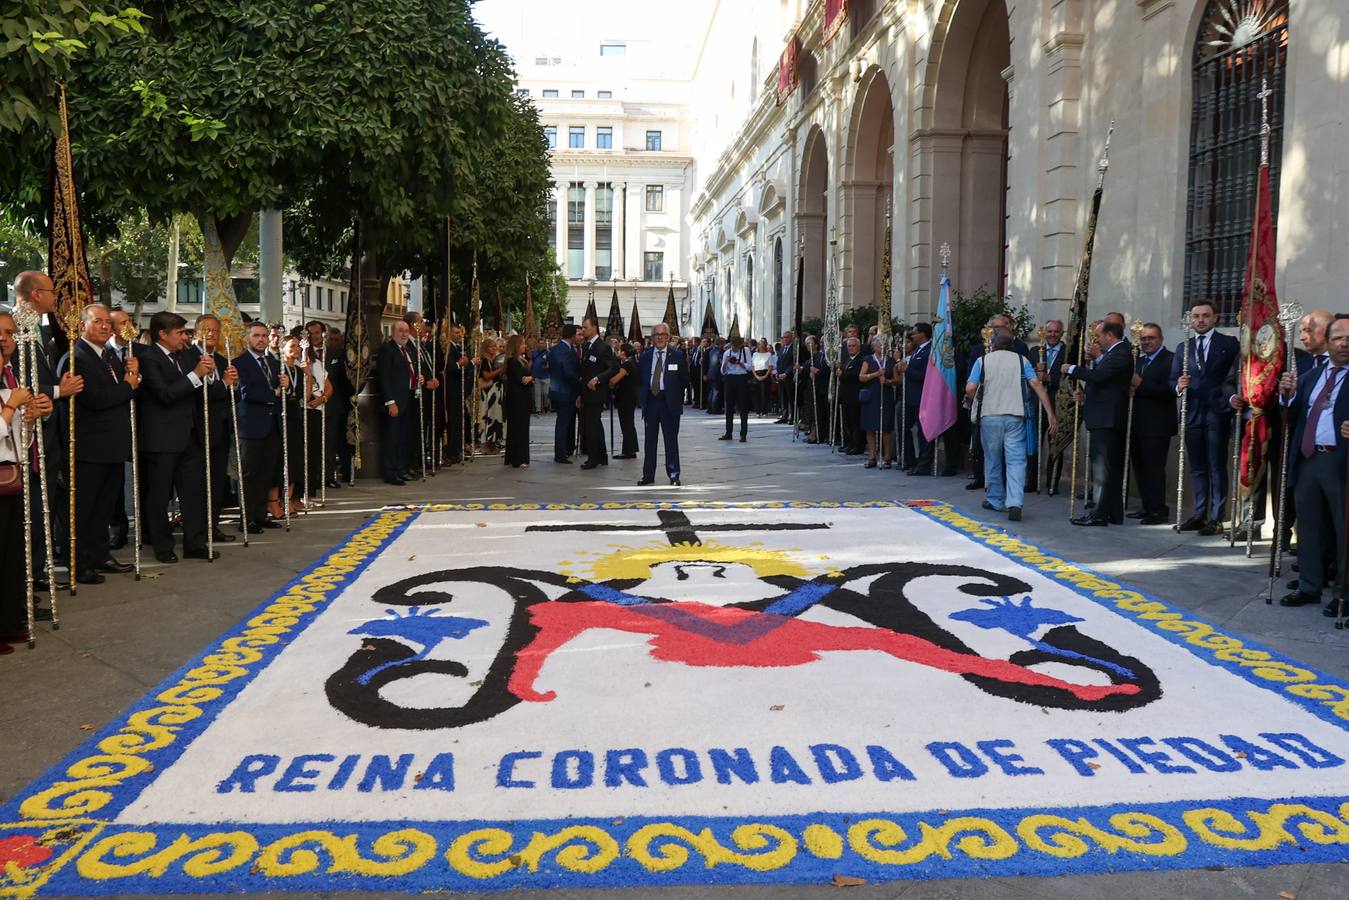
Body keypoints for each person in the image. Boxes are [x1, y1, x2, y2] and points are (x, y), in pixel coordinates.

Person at [13, 271, 80, 590]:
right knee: (31, 511)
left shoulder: (38, 329)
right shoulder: (16, 330)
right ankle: (29, 572)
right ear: (36, 293)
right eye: (52, 291)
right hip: (24, 435)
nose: (57, 297)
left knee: (45, 507)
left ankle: (38, 569)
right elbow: (23, 383)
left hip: (48, 432)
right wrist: (58, 391)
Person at [1277, 315, 1349, 613]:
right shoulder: (1310, 376)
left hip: (1341, 461)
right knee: (1308, 526)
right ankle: (1309, 585)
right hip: (1308, 458)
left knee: (1344, 529)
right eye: (1339, 338)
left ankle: (1344, 593)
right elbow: (1292, 418)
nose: (1345, 343)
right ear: (1327, 343)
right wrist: (1287, 396)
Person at [138, 310, 216, 563]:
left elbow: (203, 382)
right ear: (163, 334)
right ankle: (163, 546)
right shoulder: (148, 358)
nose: (185, 337)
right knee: (160, 495)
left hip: (190, 434)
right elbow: (165, 394)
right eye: (180, 333)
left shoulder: (185, 354)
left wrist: (207, 372)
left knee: (193, 492)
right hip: (162, 438)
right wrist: (195, 375)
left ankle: (195, 542)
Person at [964, 330, 1058, 521]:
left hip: (989, 416)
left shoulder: (983, 361)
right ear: (1012, 345)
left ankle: (996, 500)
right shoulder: (1022, 361)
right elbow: (1036, 384)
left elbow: (970, 388)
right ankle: (1015, 501)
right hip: (1015, 415)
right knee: (1016, 460)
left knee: (993, 458)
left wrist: (978, 401)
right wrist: (1050, 413)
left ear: (994, 345)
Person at [0, 310, 52, 649]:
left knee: (11, 555)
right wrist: (10, 409)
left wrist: (32, 415)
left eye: (8, 332)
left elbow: (20, 438)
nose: (4, 339)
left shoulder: (10, 374)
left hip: (11, 473)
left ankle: (8, 620)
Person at [1170, 300, 1241, 535]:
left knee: (1216, 466)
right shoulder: (1184, 347)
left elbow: (1234, 375)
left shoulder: (1228, 344)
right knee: (1197, 467)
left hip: (1217, 412)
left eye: (1205, 316)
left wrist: (1228, 402)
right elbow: (1172, 379)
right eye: (1196, 316)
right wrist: (1179, 386)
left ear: (1215, 318)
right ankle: (1199, 513)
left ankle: (1216, 517)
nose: (1200, 320)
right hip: (1191, 413)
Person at [1064, 320, 1133, 526]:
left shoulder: (1120, 352)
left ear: (1109, 336)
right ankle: (1112, 512)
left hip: (1107, 419)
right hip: (1103, 417)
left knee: (1102, 470)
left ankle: (1099, 514)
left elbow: (1101, 376)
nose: (1096, 340)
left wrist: (1072, 369)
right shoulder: (1113, 354)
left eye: (1099, 336)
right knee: (1107, 469)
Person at [233, 322, 284, 532]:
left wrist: (285, 388)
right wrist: (274, 395)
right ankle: (247, 518)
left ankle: (261, 514)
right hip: (250, 425)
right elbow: (247, 392)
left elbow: (280, 389)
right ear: (247, 338)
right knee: (248, 474)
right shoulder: (239, 363)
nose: (261, 339)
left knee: (266, 472)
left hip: (271, 424)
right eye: (256, 336)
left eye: (264, 336)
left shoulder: (272, 362)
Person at [192, 315, 238, 543]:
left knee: (217, 482)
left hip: (220, 429)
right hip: (197, 430)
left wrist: (233, 384)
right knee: (199, 483)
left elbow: (229, 395)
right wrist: (223, 386)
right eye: (206, 329)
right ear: (196, 332)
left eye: (215, 330)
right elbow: (199, 393)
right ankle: (197, 529)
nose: (211, 334)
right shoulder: (190, 358)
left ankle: (213, 525)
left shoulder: (221, 359)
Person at [1127, 323, 1176, 525]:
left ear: (1161, 339)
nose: (1146, 342)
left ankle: (1158, 511)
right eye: (1144, 338)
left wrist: (1141, 385)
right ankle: (1147, 506)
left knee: (1154, 470)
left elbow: (1170, 391)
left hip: (1157, 426)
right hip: (1138, 424)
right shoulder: (1138, 361)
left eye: (1151, 338)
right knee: (1140, 468)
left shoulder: (1170, 359)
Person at [638, 324, 688, 486]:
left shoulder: (678, 356)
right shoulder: (645, 357)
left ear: (668, 337)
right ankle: (648, 475)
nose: (659, 337)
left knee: (671, 441)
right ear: (652, 338)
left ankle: (674, 474)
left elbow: (684, 380)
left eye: (663, 334)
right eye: (656, 334)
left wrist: (676, 397)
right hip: (651, 402)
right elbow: (641, 380)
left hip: (669, 403)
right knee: (649, 441)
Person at [377, 321, 419, 484]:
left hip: (409, 398)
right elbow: (384, 378)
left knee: (404, 437)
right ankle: (390, 472)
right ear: (393, 332)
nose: (404, 334)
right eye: (400, 331)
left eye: (406, 331)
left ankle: (402, 469)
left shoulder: (408, 349)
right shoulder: (388, 350)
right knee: (392, 437)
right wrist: (390, 401)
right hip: (395, 401)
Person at [1027, 319, 1066, 493]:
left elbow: (1071, 379)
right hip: (1036, 404)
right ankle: (1032, 482)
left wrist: (1049, 378)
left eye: (1056, 332)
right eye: (1049, 331)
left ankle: (1052, 484)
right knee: (1033, 444)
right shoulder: (1035, 351)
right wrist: (1036, 376)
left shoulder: (1068, 352)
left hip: (1058, 405)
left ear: (1062, 333)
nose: (1052, 335)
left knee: (1055, 445)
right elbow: (1027, 376)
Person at [577, 316, 619, 470]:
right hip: (587, 393)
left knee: (592, 426)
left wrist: (597, 379)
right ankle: (602, 456)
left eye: (585, 327)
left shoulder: (602, 347)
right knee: (594, 425)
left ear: (594, 328)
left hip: (596, 393)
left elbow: (613, 368)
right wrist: (580, 394)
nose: (583, 330)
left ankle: (593, 458)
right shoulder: (587, 346)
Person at [859, 335, 896, 468]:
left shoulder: (891, 361)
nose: (883, 347)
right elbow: (861, 377)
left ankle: (887, 458)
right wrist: (875, 374)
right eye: (880, 344)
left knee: (886, 427)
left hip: (885, 395)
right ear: (874, 346)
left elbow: (897, 380)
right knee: (870, 427)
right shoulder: (868, 359)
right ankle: (872, 456)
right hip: (872, 395)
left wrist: (887, 381)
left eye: (885, 344)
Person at [900, 323, 932, 472]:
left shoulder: (929, 351)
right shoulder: (917, 350)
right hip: (910, 397)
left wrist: (908, 370)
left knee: (922, 432)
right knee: (904, 427)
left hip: (921, 397)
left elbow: (927, 376)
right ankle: (909, 459)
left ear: (923, 334)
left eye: (914, 333)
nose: (911, 336)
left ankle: (924, 464)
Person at [325, 327, 355, 485]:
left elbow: (345, 380)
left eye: (337, 340)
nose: (334, 343)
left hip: (337, 405)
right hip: (317, 405)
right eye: (332, 340)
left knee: (336, 442)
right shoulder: (310, 355)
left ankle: (336, 474)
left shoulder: (340, 356)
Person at [548, 325, 581, 463]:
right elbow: (568, 373)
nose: (580, 338)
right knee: (563, 423)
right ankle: (561, 453)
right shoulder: (564, 351)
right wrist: (580, 384)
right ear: (572, 335)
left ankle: (566, 449)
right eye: (578, 335)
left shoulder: (557, 349)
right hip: (564, 391)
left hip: (559, 390)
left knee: (565, 422)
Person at [503, 335, 533, 468]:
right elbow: (521, 379)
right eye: (522, 344)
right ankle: (518, 457)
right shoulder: (512, 361)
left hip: (522, 397)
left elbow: (528, 377)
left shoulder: (521, 360)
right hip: (517, 398)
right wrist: (529, 378)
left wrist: (531, 377)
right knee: (518, 427)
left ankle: (515, 456)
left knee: (520, 427)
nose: (524, 346)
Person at [720, 334, 752, 442]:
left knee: (743, 407)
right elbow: (723, 371)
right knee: (729, 407)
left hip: (742, 379)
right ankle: (728, 432)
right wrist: (725, 363)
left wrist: (739, 363)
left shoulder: (745, 351)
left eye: (737, 346)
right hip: (730, 379)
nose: (735, 348)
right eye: (733, 346)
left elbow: (749, 367)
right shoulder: (726, 353)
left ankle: (743, 434)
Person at [477, 337, 506, 454]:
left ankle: (492, 443)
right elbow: (486, 376)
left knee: (494, 418)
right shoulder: (484, 360)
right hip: (488, 393)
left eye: (495, 346)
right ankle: (485, 445)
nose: (494, 348)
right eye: (491, 346)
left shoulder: (493, 359)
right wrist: (500, 370)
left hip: (495, 393)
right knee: (487, 417)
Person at [611, 342, 640, 458]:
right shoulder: (631, 363)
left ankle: (628, 451)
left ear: (623, 352)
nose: (618, 352)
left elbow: (615, 380)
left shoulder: (627, 365)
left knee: (626, 425)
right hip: (629, 398)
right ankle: (630, 449)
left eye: (619, 350)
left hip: (626, 398)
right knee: (628, 424)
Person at [838, 337, 864, 454]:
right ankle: (849, 443)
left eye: (853, 346)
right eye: (849, 346)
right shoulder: (846, 360)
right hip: (845, 395)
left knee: (855, 422)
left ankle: (857, 445)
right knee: (847, 421)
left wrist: (841, 375)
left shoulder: (861, 360)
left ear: (858, 346)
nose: (851, 348)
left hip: (855, 395)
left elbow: (853, 376)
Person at [752, 338, 774, 417]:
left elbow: (770, 366)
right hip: (757, 373)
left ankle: (765, 411)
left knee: (765, 393)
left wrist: (766, 375)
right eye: (760, 344)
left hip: (765, 373)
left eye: (763, 344)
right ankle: (758, 411)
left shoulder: (768, 354)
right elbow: (753, 366)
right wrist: (756, 375)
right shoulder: (755, 354)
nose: (761, 345)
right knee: (756, 393)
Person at [530, 338, 551, 415]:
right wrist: (529, 371)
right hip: (537, 375)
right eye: (541, 343)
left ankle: (546, 405)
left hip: (546, 376)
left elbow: (552, 363)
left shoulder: (549, 352)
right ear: (538, 344)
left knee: (546, 393)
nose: (542, 345)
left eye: (543, 343)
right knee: (537, 393)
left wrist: (548, 366)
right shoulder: (534, 352)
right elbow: (531, 361)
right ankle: (538, 409)